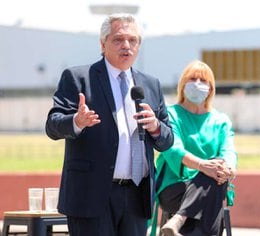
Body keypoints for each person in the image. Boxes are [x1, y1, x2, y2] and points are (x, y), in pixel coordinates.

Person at [45, 13, 174, 236]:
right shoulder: (78, 78)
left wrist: (155, 127)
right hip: (91, 195)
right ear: (103, 44)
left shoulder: (150, 84)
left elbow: (167, 139)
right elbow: (53, 125)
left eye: (133, 40)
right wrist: (76, 121)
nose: (126, 46)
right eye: (118, 40)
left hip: (136, 195)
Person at [154, 60, 237, 236]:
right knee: (212, 182)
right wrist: (202, 166)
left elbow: (228, 151)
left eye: (203, 80)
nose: (198, 84)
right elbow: (173, 149)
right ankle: (180, 218)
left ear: (211, 88)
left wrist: (229, 168)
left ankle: (179, 220)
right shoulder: (170, 114)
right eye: (192, 79)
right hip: (175, 187)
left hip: (210, 188)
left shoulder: (220, 121)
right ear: (183, 84)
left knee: (215, 176)